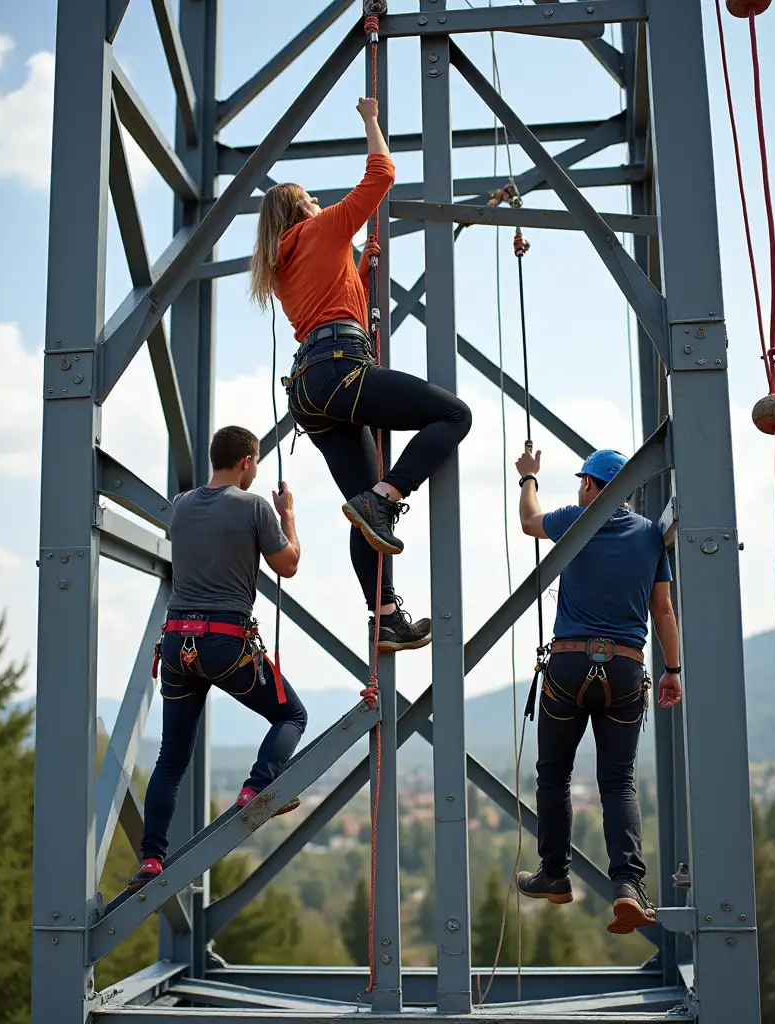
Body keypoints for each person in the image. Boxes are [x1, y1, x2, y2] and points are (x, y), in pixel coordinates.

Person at [248, 96, 472, 654]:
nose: (321, 202)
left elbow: (335, 301)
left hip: (310, 388)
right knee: (453, 414)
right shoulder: (323, 228)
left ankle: (384, 615)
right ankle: (390, 494)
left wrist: (362, 267)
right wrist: (371, 119)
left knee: (362, 506)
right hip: (340, 370)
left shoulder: (281, 264)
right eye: (312, 200)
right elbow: (382, 174)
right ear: (302, 208)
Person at [127, 426, 308, 892]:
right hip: (224, 644)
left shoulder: (181, 506)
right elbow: (287, 565)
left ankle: (151, 859)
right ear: (247, 461)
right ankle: (256, 788)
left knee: (171, 756)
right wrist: (288, 517)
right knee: (291, 713)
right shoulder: (254, 507)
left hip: (176, 645)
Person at [511, 446, 682, 934]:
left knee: (554, 774)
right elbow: (663, 611)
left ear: (590, 486)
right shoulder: (650, 535)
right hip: (627, 670)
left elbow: (529, 522)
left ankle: (554, 875)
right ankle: (629, 886)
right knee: (618, 782)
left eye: (582, 481)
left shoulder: (577, 519)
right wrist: (672, 669)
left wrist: (527, 478)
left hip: (569, 666)